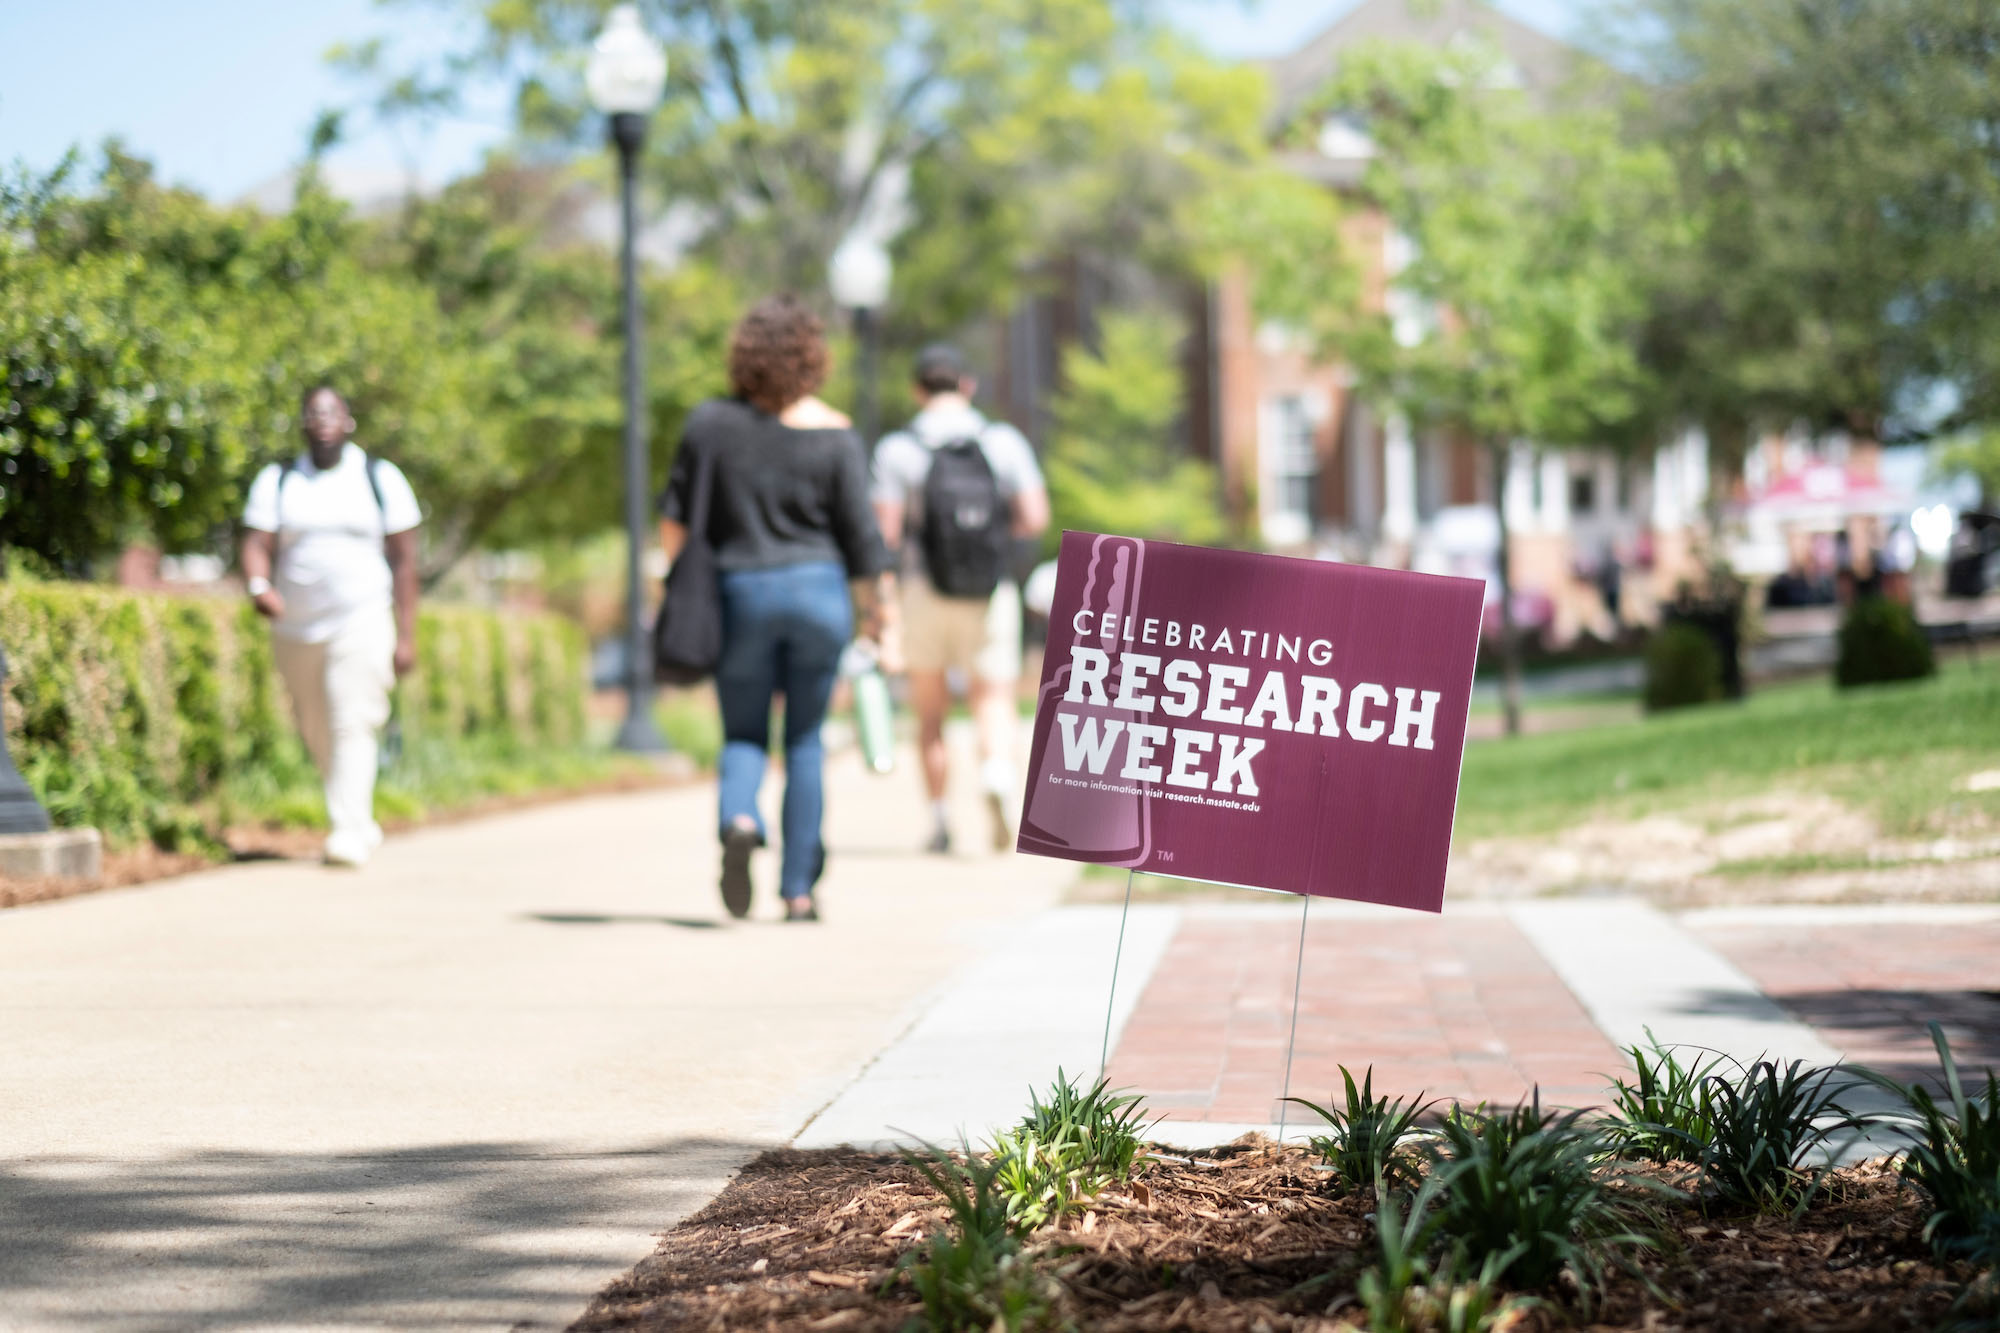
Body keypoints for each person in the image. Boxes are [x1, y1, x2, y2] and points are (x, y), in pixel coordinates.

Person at [659, 295, 890, 923]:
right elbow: (865, 544)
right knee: (808, 739)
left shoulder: (709, 425)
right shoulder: (837, 435)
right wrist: (878, 616)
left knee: (743, 732)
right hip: (818, 592)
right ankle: (798, 890)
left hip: (741, 593)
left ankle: (739, 816)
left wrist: (678, 584)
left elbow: (674, 524)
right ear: (814, 359)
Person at [872, 344, 1050, 855]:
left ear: (917, 390)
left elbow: (885, 533)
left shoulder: (896, 449)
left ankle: (940, 820)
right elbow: (1034, 517)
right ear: (967, 386)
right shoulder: (1003, 442)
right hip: (989, 589)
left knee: (930, 712)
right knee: (992, 696)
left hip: (921, 589)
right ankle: (995, 772)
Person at [240, 386, 422, 868]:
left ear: (348, 422)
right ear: (303, 423)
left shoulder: (379, 478)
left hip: (361, 617)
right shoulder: (279, 480)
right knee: (314, 725)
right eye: (313, 413)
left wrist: (406, 636)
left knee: (353, 717)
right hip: (296, 628)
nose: (323, 420)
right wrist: (259, 586)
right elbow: (256, 544)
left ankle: (346, 828)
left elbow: (405, 563)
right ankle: (355, 816)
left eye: (332, 412)